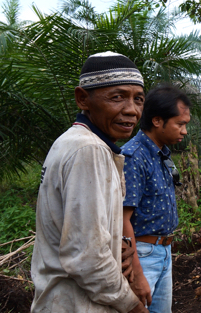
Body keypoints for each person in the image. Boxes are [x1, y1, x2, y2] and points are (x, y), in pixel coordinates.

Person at [31, 52, 148, 313]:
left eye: (138, 99)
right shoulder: (88, 150)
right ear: (83, 98)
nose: (131, 110)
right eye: (117, 97)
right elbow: (87, 256)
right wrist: (132, 306)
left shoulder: (75, 143)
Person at [121, 85, 192, 313]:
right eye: (180, 124)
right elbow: (122, 219)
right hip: (142, 253)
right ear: (157, 121)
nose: (184, 131)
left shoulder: (161, 154)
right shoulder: (134, 157)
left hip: (163, 250)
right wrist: (137, 274)